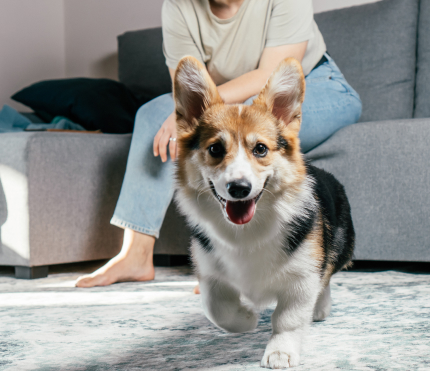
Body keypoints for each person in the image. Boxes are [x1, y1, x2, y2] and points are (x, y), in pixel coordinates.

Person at [75, 0, 362, 288]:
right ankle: (136, 254)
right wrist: (188, 117)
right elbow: (190, 82)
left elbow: (269, 76)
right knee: (153, 115)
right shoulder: (178, 6)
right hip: (229, 102)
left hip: (309, 87)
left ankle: (231, 267)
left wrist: (215, 115)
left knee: (250, 116)